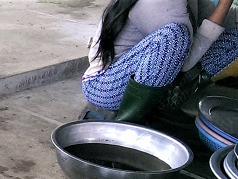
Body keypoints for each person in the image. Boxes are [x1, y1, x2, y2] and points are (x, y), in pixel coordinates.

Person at [81, 0, 237, 122]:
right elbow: (185, 61)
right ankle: (128, 123)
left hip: (158, 83)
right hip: (105, 86)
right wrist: (224, 2)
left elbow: (224, 18)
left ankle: (168, 102)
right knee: (174, 36)